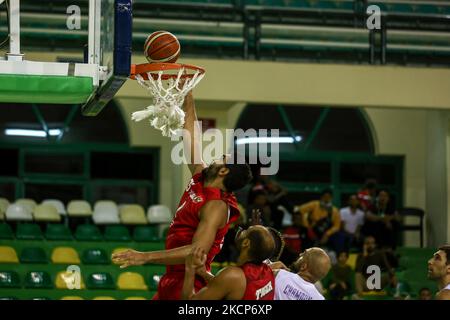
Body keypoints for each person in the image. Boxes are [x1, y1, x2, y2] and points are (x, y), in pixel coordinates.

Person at [112, 91, 253, 300]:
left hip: (190, 281)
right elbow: (191, 135)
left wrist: (145, 257)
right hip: (172, 276)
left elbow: (196, 251)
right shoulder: (200, 176)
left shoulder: (217, 206)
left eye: (222, 158)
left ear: (224, 171)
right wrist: (189, 97)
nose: (215, 157)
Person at [182, 225, 280, 300]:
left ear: (246, 243)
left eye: (246, 231)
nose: (241, 230)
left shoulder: (232, 275)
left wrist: (190, 269)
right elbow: (229, 286)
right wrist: (204, 274)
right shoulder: (268, 271)